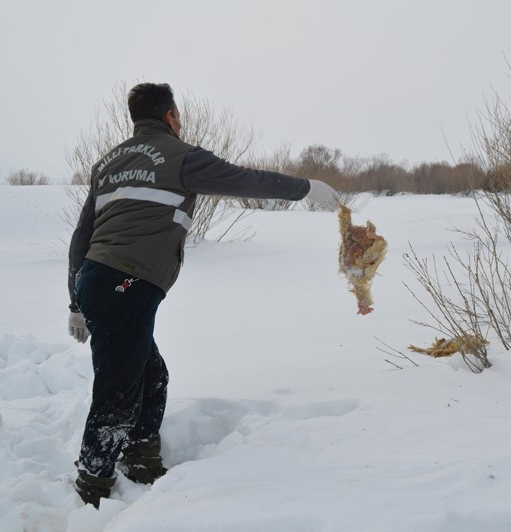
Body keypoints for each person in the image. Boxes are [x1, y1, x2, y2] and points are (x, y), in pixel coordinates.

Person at [67, 82, 339, 507]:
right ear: (171, 116)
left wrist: (75, 301)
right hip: (127, 283)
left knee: (150, 376)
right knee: (117, 389)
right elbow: (247, 180)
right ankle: (91, 488)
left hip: (97, 280)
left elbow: (82, 233)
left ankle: (140, 458)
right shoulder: (181, 157)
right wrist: (305, 188)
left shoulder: (109, 162)